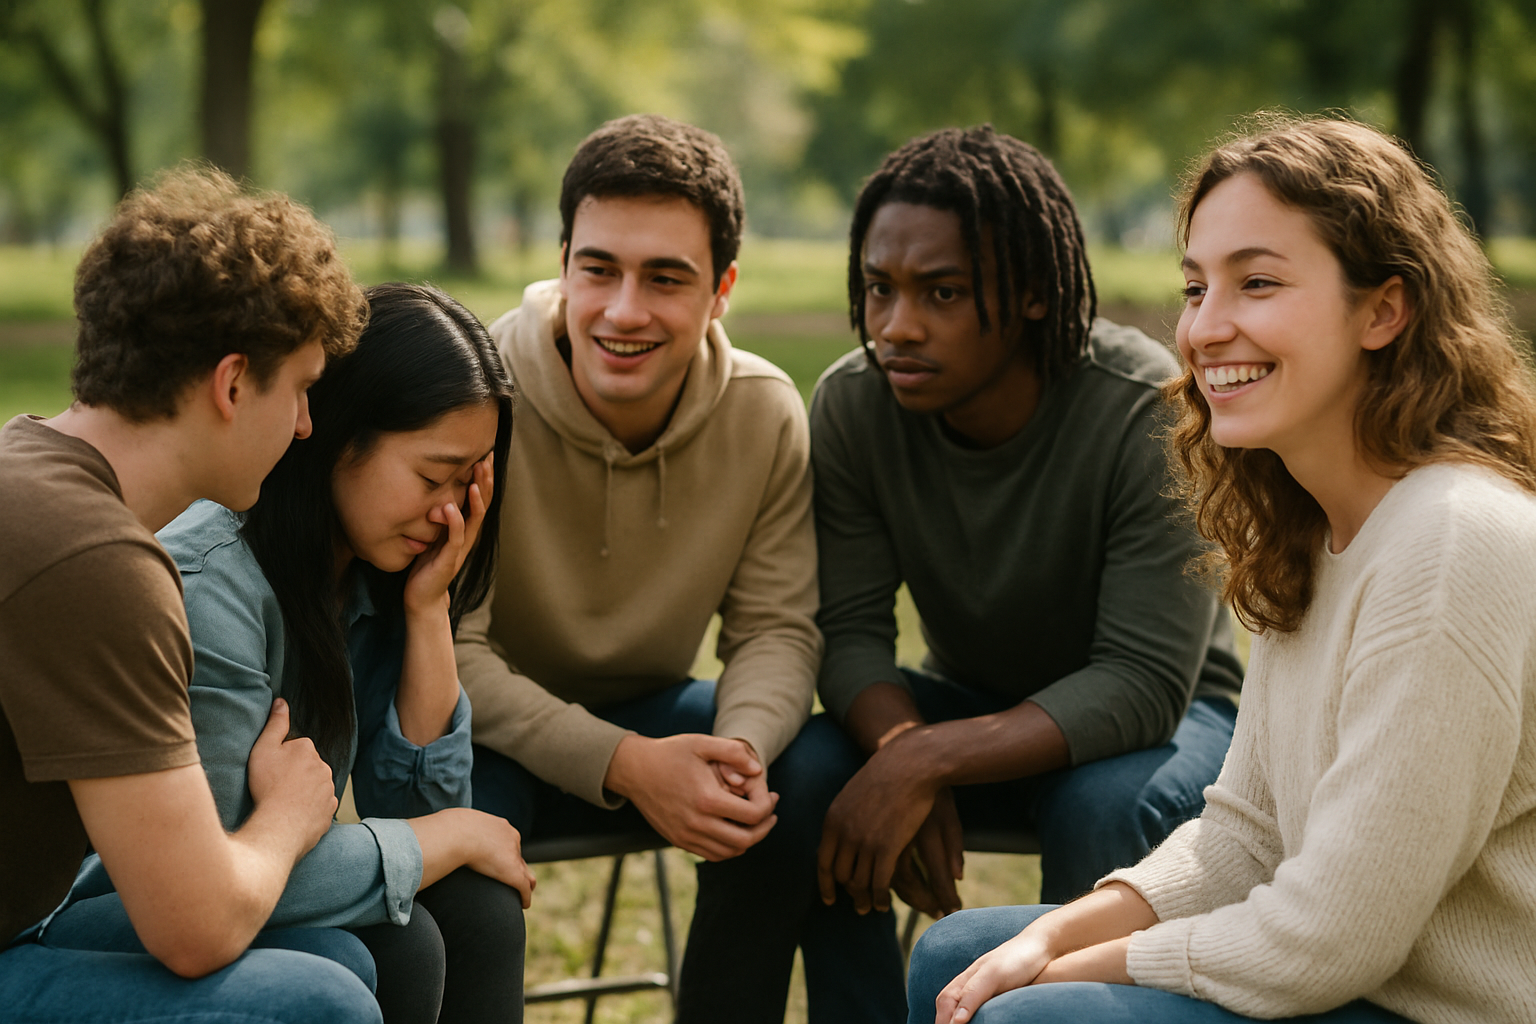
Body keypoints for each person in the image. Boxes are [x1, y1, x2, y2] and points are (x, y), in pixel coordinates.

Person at [908, 115, 1536, 1024]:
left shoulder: (1450, 543)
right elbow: (1247, 834)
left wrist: (1073, 971)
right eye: (1197, 288)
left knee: (1025, 1015)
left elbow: (1331, 937)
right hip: (1355, 982)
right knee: (956, 953)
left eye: (1258, 283)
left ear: (1384, 310)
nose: (1205, 328)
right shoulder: (1314, 529)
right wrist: (1055, 936)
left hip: (1440, 1008)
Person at [455, 113, 905, 1023]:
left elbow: (776, 628)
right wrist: (624, 765)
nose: (624, 311)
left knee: (811, 775)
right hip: (485, 736)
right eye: (599, 270)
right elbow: (449, 650)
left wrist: (739, 754)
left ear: (722, 290)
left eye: (666, 278)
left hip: (657, 712)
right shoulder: (473, 394)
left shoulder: (763, 411)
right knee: (454, 846)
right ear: (563, 263)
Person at [50, 283, 534, 1024]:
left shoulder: (377, 574)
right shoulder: (211, 584)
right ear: (338, 437)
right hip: (114, 917)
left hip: (256, 889)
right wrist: (445, 835)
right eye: (432, 476)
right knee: (398, 947)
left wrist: (428, 611)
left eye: (469, 483)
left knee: (475, 905)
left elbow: (422, 816)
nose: (449, 511)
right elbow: (215, 873)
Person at [812, 125, 1243, 929]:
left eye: (942, 293)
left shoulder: (1143, 408)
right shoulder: (853, 404)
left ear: (1035, 292)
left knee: (1100, 803)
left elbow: (1143, 682)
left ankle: (1081, 994)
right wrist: (899, 746)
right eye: (878, 288)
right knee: (811, 767)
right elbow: (849, 632)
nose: (896, 325)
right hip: (972, 700)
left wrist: (924, 757)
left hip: (1173, 717)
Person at [0, 168, 383, 1023]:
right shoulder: (95, 560)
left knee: (338, 958)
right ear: (233, 382)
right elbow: (197, 928)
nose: (307, 426)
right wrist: (289, 816)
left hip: (21, 930)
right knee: (320, 1003)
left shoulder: (29, 466)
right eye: (302, 389)